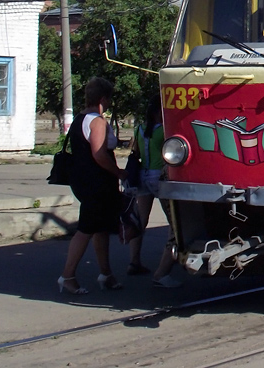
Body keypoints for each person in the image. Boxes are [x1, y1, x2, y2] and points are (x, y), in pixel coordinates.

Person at [58, 77, 126, 295]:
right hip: (96, 181)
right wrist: (119, 173)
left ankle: (106, 274)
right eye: (109, 100)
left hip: (83, 178)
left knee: (101, 228)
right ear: (103, 99)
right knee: (86, 228)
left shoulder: (80, 118)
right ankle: (67, 276)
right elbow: (99, 154)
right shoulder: (97, 121)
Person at [126, 96, 182, 288]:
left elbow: (137, 153)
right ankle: (162, 272)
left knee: (140, 221)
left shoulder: (140, 129)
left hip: (142, 176)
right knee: (175, 224)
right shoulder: (164, 132)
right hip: (159, 178)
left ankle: (134, 261)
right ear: (160, 112)